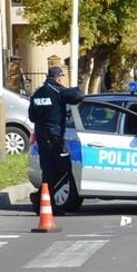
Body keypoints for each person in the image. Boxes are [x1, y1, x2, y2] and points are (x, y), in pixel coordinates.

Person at [28, 66, 84, 207]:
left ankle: (46, 203)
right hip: (54, 136)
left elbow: (32, 116)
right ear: (59, 78)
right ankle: (42, 200)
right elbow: (78, 96)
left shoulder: (37, 93)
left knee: (48, 170)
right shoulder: (58, 91)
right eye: (62, 78)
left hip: (42, 136)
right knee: (62, 168)